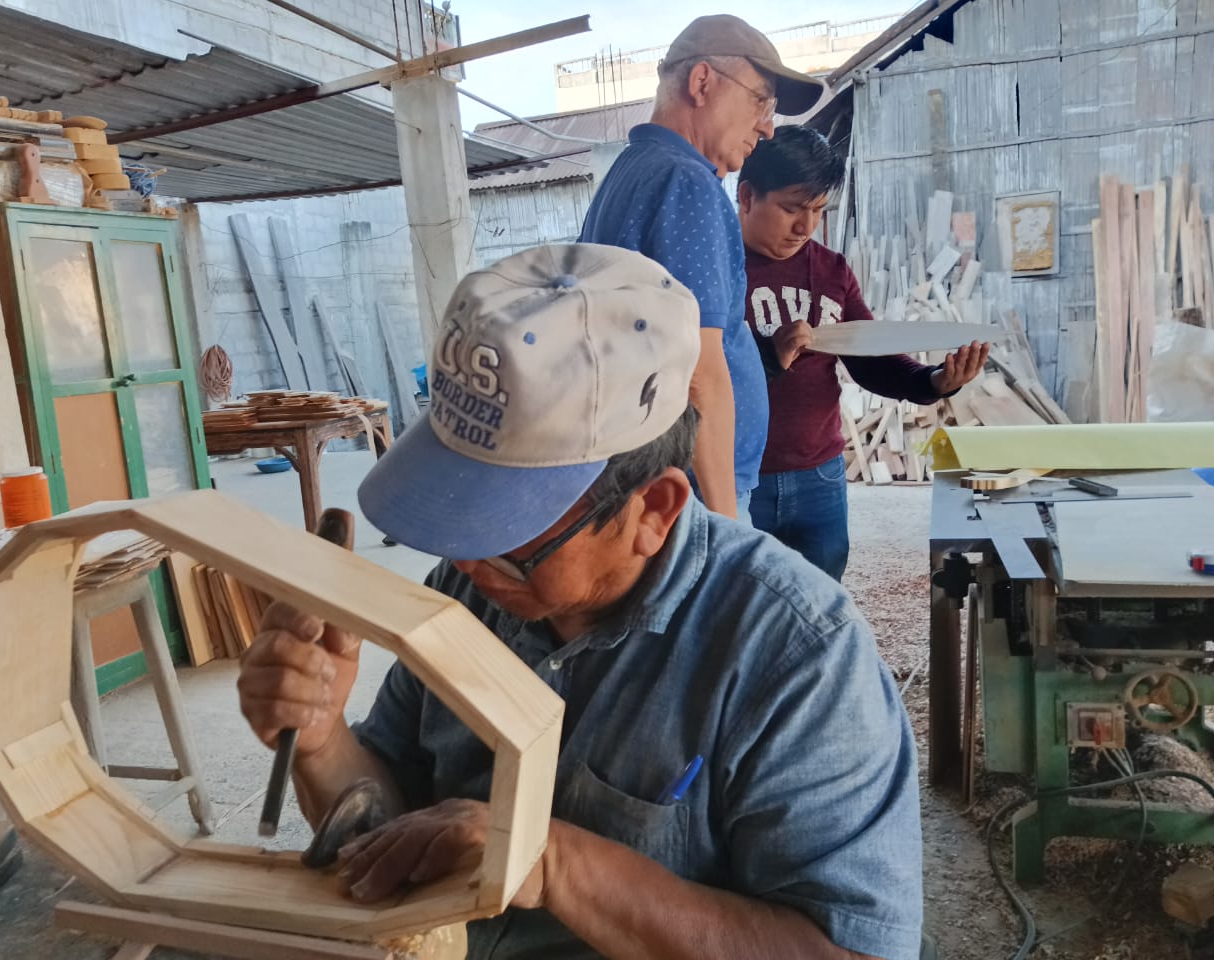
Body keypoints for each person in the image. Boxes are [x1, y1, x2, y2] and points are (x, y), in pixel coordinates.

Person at [237, 244, 924, 960]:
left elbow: (849, 951)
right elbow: (384, 835)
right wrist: (321, 740)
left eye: (509, 533)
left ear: (654, 509)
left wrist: (552, 861)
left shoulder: (798, 655)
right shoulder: (473, 585)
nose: (467, 562)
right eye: (461, 521)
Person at [578, 15, 825, 522]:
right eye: (761, 101)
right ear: (702, 82)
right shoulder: (688, 183)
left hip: (654, 479)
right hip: (691, 495)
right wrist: (728, 525)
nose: (767, 127)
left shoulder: (631, 169)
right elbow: (699, 372)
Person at [738, 126, 988, 580]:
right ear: (747, 196)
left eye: (819, 210)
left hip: (820, 474)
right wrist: (768, 354)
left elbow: (870, 359)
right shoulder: (719, 269)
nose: (806, 227)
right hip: (738, 476)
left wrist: (933, 381)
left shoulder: (831, 270)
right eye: (791, 208)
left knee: (821, 599)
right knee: (740, 600)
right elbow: (698, 369)